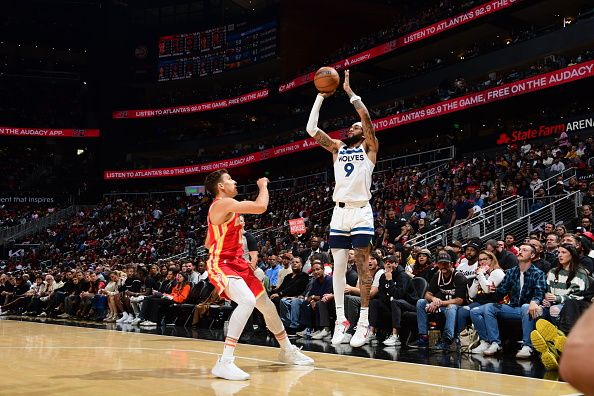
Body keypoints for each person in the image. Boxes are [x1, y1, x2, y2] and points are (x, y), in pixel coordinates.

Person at [204, 169, 313, 381]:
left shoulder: (226, 209)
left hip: (239, 263)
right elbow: (261, 207)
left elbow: (209, 240)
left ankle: (287, 351)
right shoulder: (222, 203)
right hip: (222, 263)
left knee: (267, 306)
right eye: (229, 179)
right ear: (220, 187)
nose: (234, 182)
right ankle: (224, 362)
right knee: (246, 301)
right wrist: (262, 185)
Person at [305, 69, 379, 348]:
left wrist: (349, 93)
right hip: (339, 211)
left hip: (361, 211)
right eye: (350, 128)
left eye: (355, 128)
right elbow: (312, 130)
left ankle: (363, 322)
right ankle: (341, 320)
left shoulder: (370, 148)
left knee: (361, 267)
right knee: (336, 267)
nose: (352, 129)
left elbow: (367, 120)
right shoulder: (337, 148)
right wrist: (320, 97)